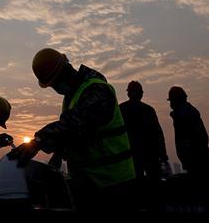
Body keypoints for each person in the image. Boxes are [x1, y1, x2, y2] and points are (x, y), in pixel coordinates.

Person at [10, 48, 135, 213]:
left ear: (65, 72)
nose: (55, 88)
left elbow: (76, 124)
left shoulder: (97, 90)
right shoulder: (72, 96)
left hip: (114, 183)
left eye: (54, 83)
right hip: (89, 182)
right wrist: (59, 154)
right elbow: (76, 136)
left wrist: (38, 142)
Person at [119, 80, 169, 181]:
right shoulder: (148, 110)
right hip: (150, 154)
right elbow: (158, 134)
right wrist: (163, 154)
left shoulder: (121, 109)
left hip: (132, 155)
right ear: (141, 94)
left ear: (128, 93)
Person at [167, 86, 209, 175]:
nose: (171, 103)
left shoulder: (186, 116)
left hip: (197, 161)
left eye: (172, 100)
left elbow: (196, 140)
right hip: (195, 161)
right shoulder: (184, 114)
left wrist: (188, 157)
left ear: (177, 100)